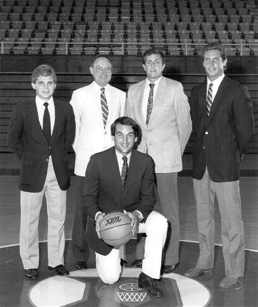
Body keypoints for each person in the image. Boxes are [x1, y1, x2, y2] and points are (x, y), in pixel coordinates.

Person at [184, 42, 255, 289]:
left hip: (225, 166)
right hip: (201, 165)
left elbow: (246, 131)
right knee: (204, 219)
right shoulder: (195, 92)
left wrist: (234, 155)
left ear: (224, 62)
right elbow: (197, 127)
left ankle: (234, 271)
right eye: (207, 59)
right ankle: (204, 263)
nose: (212, 63)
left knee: (231, 221)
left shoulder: (236, 90)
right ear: (202, 63)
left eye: (216, 59)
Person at [84, 116, 168, 298]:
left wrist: (137, 215)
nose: (125, 140)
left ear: (136, 138)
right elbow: (88, 198)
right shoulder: (97, 161)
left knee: (160, 222)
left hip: (132, 219)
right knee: (110, 278)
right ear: (112, 136)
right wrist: (98, 216)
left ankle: (148, 275)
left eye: (130, 135)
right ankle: (107, 258)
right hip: (108, 223)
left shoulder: (145, 162)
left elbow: (148, 197)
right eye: (120, 135)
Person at [126, 48, 192, 274]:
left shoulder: (175, 88)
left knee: (169, 210)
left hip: (166, 160)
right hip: (140, 160)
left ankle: (170, 257)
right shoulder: (133, 90)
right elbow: (129, 127)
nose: (152, 66)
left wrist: (174, 152)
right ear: (143, 67)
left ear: (163, 66)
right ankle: (141, 254)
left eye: (157, 62)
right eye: (148, 62)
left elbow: (185, 125)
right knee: (142, 208)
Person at [8, 64, 75, 280]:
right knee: (29, 219)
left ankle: (56, 262)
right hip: (32, 172)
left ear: (55, 85)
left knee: (58, 218)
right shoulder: (22, 109)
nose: (45, 87)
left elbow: (68, 137)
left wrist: (56, 157)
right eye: (41, 83)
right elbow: (13, 139)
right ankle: (30, 262)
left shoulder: (65, 108)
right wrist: (28, 160)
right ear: (33, 85)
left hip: (58, 170)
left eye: (49, 83)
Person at [70, 55, 126, 270]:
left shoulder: (121, 96)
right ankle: (80, 255)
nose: (104, 73)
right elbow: (72, 129)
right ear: (91, 70)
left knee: (113, 210)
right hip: (86, 161)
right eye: (99, 69)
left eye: (108, 69)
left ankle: (111, 253)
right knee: (83, 209)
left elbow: (122, 131)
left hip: (112, 164)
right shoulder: (79, 95)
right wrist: (84, 153)